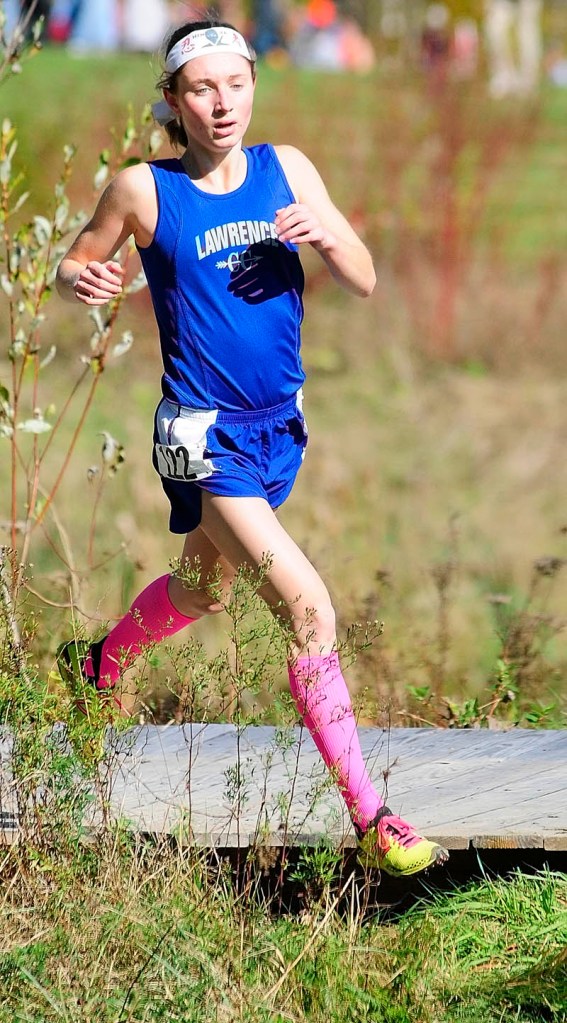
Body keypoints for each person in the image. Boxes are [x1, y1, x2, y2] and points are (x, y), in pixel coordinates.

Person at [55, 17, 449, 879]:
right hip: (201, 436)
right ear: (174, 100)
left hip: (278, 429)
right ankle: (370, 816)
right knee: (308, 609)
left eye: (234, 83)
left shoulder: (287, 169)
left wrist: (328, 235)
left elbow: (365, 275)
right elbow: (75, 263)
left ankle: (98, 665)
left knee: (200, 590)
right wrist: (78, 277)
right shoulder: (144, 190)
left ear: (252, 87)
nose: (220, 101)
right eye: (201, 88)